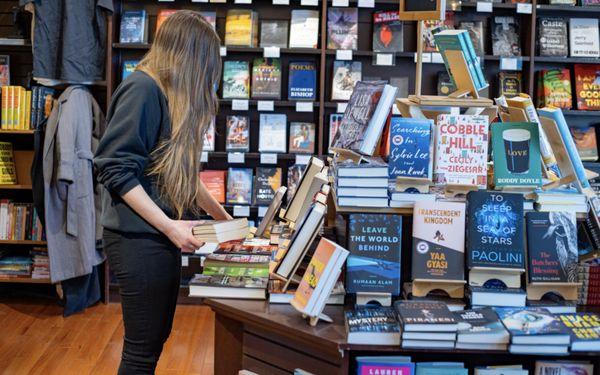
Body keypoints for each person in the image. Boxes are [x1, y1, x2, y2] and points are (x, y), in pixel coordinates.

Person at [94, 11, 231, 374]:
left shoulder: (167, 94)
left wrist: (227, 222)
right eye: (205, 61)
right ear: (187, 55)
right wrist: (170, 226)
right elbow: (114, 167)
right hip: (137, 240)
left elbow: (185, 174)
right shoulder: (143, 89)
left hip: (155, 238)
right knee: (141, 352)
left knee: (152, 342)